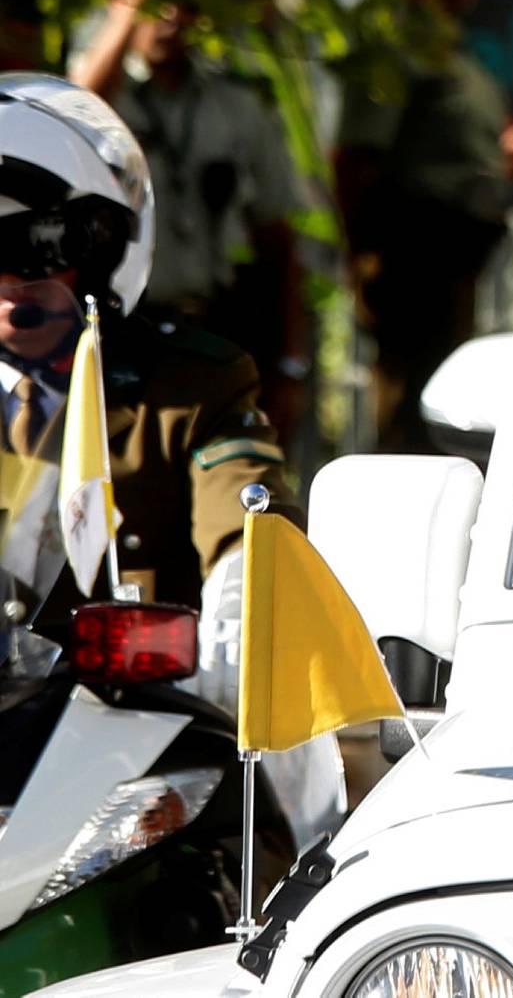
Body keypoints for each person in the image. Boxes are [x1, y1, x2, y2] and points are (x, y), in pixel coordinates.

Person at [0, 75, 294, 612]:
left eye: (36, 246)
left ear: (101, 248)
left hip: (116, 694)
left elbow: (249, 540)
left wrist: (239, 614)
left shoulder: (190, 388)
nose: (11, 283)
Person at [336, 0, 513, 448]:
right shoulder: (392, 49)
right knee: (414, 419)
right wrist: (368, 269)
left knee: (455, 413)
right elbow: (355, 165)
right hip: (413, 262)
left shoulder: (450, 48)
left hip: (462, 260)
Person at [69, 0, 308, 439]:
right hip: (123, 327)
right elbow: (79, 111)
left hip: (214, 321)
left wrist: (288, 361)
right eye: (154, 6)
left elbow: (278, 237)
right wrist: (127, 7)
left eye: (182, 4)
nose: (170, 19)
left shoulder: (235, 104)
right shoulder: (107, 95)